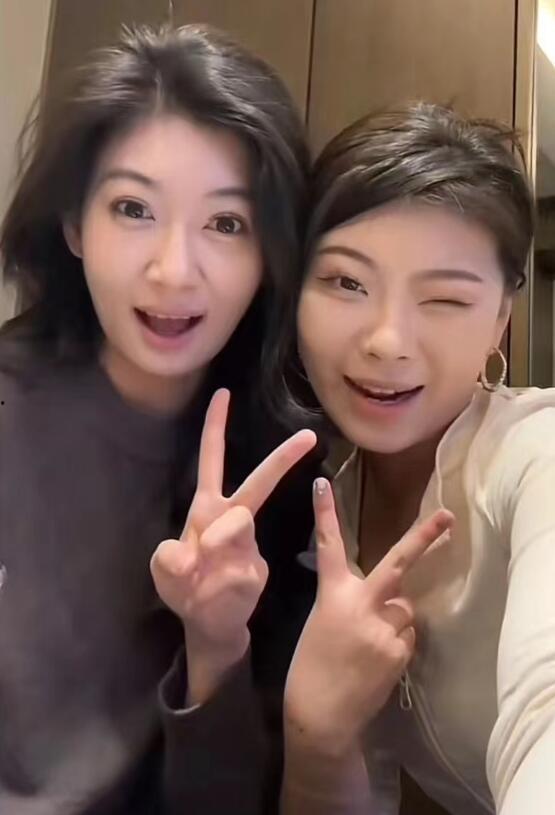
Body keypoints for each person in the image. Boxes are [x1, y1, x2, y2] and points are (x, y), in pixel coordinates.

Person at [0, 23, 319, 814]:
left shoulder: (288, 472)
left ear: (270, 256)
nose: (173, 270)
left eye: (226, 223)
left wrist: (215, 644)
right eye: (133, 208)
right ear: (75, 225)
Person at [277, 104, 555, 815]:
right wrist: (317, 736)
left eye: (444, 299)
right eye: (346, 283)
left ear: (499, 321)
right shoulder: (325, 510)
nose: (387, 341)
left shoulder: (534, 455)